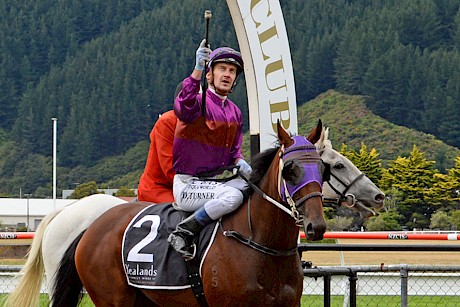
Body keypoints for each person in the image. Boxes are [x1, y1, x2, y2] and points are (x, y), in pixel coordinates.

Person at [167, 40, 252, 259]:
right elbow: (182, 105)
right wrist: (196, 69)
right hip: (188, 185)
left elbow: (234, 152)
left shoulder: (235, 112)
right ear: (209, 75)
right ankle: (185, 232)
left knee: (256, 185)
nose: (227, 74)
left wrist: (241, 160)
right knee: (233, 197)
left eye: (232, 71)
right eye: (222, 69)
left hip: (214, 183)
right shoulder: (196, 102)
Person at [137, 83, 182, 203]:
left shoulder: (205, 126)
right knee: (186, 212)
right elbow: (169, 168)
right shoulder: (167, 122)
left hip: (188, 187)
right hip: (158, 188)